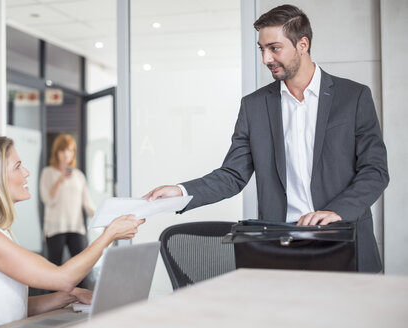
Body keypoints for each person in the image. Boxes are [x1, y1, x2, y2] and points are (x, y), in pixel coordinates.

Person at [144, 4, 389, 273]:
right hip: (281, 246)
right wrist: (181, 191)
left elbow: (374, 170)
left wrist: (337, 211)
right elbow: (233, 175)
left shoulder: (353, 97)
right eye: (262, 49)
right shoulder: (254, 106)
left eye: (274, 48)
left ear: (303, 44)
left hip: (344, 239)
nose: (266, 59)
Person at [0, 134, 144, 327]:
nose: (26, 172)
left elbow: (14, 305)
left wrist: (70, 296)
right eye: (17, 166)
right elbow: (63, 278)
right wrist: (109, 235)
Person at [40, 134, 94, 268]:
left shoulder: (79, 176)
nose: (66, 154)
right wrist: (60, 180)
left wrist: (105, 217)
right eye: (62, 150)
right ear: (56, 152)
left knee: (81, 269)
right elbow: (48, 200)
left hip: (76, 228)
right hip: (55, 228)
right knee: (54, 269)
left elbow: (87, 204)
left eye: (70, 150)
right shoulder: (48, 173)